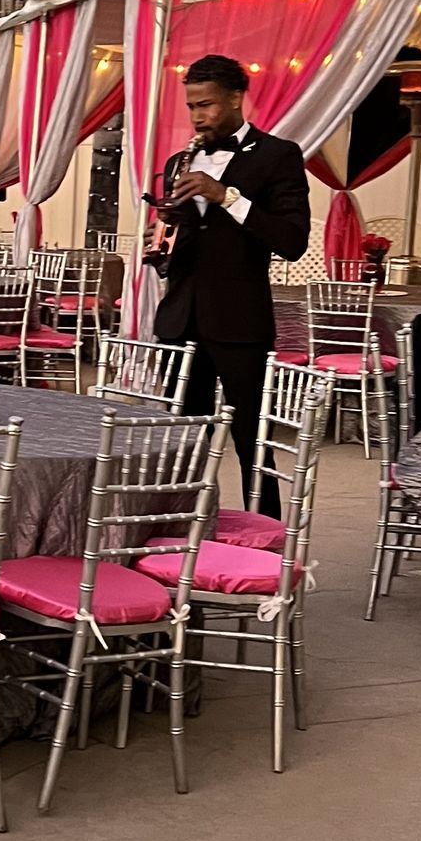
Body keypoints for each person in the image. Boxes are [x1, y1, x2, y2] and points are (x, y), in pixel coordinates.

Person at [151, 53, 312, 510]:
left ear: (238, 98)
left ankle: (265, 540)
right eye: (192, 106)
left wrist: (225, 195)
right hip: (181, 318)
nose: (199, 115)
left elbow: (292, 240)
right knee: (181, 440)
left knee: (251, 440)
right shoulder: (179, 161)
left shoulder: (278, 156)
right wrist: (162, 244)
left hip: (239, 318)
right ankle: (180, 526)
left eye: (208, 104)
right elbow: (188, 244)